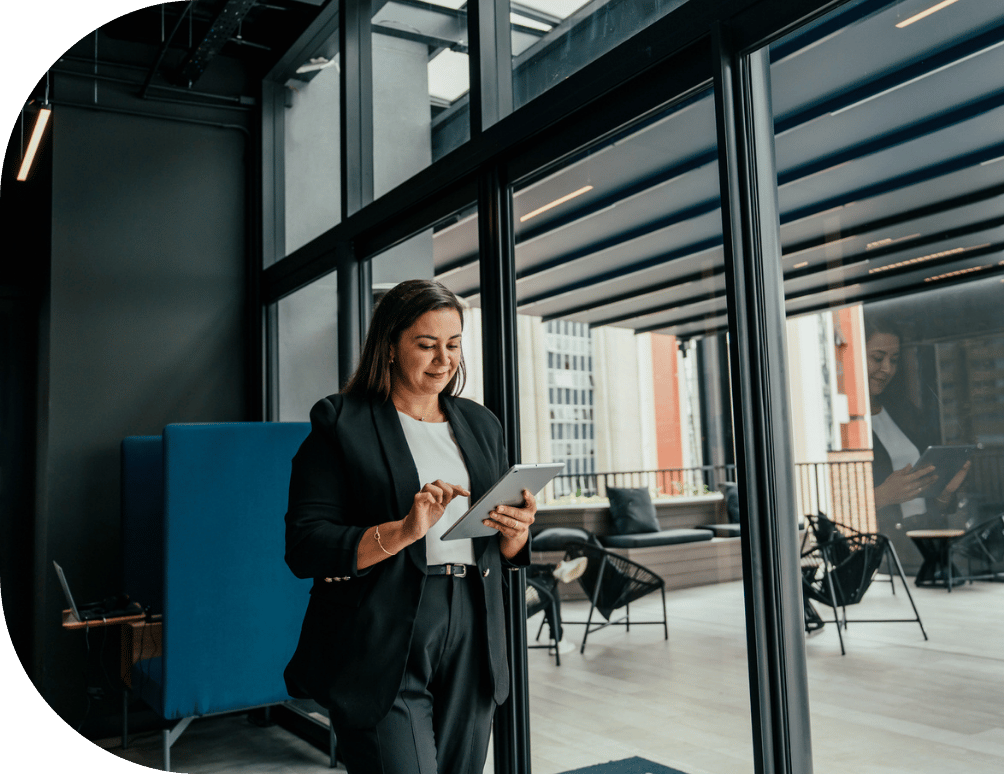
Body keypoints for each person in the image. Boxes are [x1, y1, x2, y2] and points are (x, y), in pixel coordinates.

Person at [282, 279, 536, 774]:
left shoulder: (482, 424)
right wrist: (403, 530)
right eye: (426, 345)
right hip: (382, 628)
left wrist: (516, 534)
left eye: (454, 344)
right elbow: (304, 546)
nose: (444, 359)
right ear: (390, 347)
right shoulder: (341, 422)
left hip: (473, 623)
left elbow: (496, 545)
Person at [865, 317, 969, 545]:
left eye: (894, 360)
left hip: (923, 538)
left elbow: (928, 504)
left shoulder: (904, 413)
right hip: (884, 545)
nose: (887, 369)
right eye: (877, 358)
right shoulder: (845, 423)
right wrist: (881, 496)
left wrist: (944, 492)